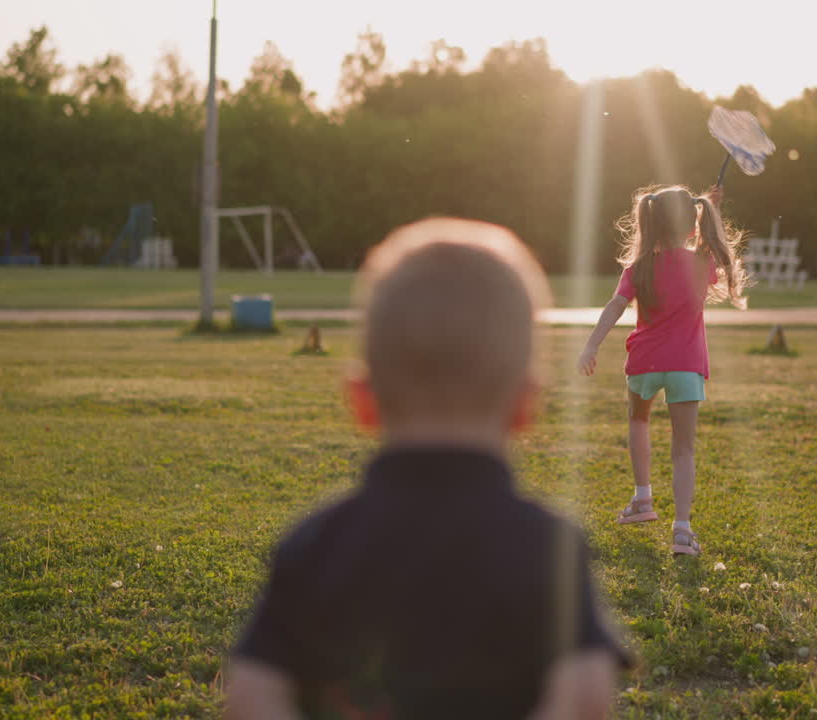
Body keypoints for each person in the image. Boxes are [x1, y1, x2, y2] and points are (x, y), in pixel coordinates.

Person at [226, 218, 629, 720]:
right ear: (527, 406)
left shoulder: (314, 544)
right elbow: (586, 697)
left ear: (361, 403)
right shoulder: (549, 547)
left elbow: (250, 695)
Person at [576, 186, 748, 557]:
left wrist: (591, 345)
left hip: (644, 364)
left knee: (639, 423)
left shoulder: (638, 267)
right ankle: (682, 532)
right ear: (692, 225)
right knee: (683, 449)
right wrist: (709, 213)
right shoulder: (702, 262)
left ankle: (642, 500)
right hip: (686, 366)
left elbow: (614, 307)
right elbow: (708, 244)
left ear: (651, 221)